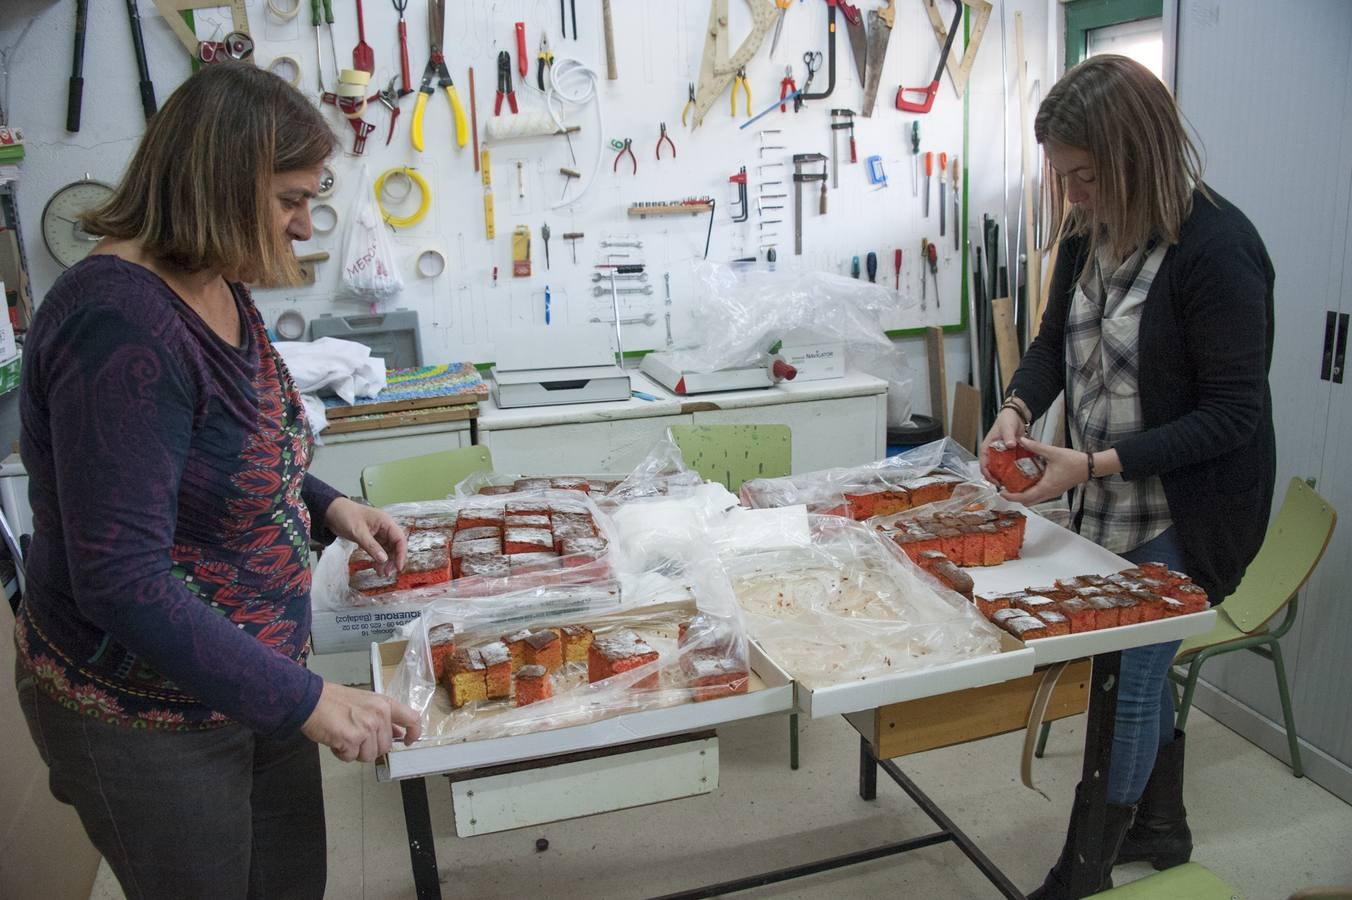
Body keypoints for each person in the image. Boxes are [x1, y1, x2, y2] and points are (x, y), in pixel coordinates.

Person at [14, 63, 421, 899]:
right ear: (219, 186)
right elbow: (120, 579)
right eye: (289, 200)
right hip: (149, 713)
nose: (303, 224)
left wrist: (329, 504)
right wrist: (308, 702)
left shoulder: (216, 279)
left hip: (254, 683)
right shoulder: (116, 326)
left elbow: (232, 450)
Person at [980, 55, 1275, 899]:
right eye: (1062, 176)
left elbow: (1232, 416)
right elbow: (1049, 344)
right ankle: (1160, 824)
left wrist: (1095, 464)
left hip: (1192, 507)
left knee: (1129, 677)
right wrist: (1016, 408)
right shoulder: (1089, 233)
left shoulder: (1219, 249)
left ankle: (1084, 872)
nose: (1073, 195)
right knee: (1126, 662)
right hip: (1108, 495)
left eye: (1087, 175)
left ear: (1137, 154)